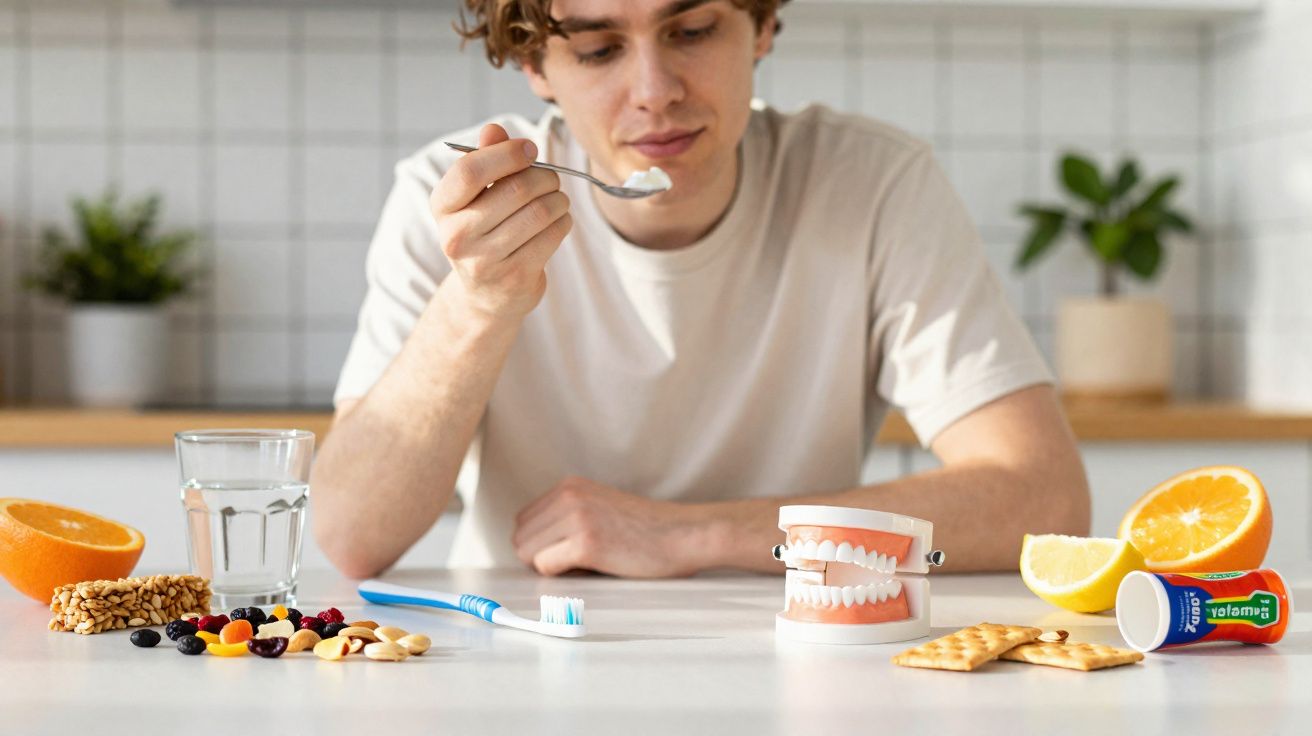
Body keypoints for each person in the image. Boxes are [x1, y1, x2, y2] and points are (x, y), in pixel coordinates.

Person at [310, 0, 1091, 580]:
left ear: (761, 26)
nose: (654, 90)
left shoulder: (874, 186)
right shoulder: (456, 209)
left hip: (809, 640)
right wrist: (476, 305)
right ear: (536, 67)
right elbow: (352, 536)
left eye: (691, 31)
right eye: (596, 48)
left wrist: (688, 536)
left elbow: (1042, 499)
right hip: (524, 643)